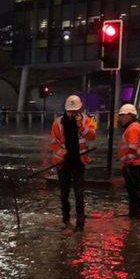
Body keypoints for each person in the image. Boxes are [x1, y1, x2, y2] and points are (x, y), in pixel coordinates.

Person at [50, 95, 96, 231]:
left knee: (79, 193)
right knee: (64, 193)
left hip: (79, 162)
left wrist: (81, 127)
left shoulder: (87, 120)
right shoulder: (57, 123)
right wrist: (65, 155)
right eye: (70, 111)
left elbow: (92, 136)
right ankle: (65, 220)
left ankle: (80, 223)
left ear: (80, 109)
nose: (72, 113)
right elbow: (54, 143)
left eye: (75, 111)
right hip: (64, 163)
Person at [118, 104, 140, 219]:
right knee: (133, 190)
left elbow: (132, 148)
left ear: (130, 116)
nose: (120, 118)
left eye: (122, 116)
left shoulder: (133, 129)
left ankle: (134, 215)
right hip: (137, 163)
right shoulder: (135, 126)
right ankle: (133, 214)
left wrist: (126, 164)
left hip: (135, 165)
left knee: (133, 191)